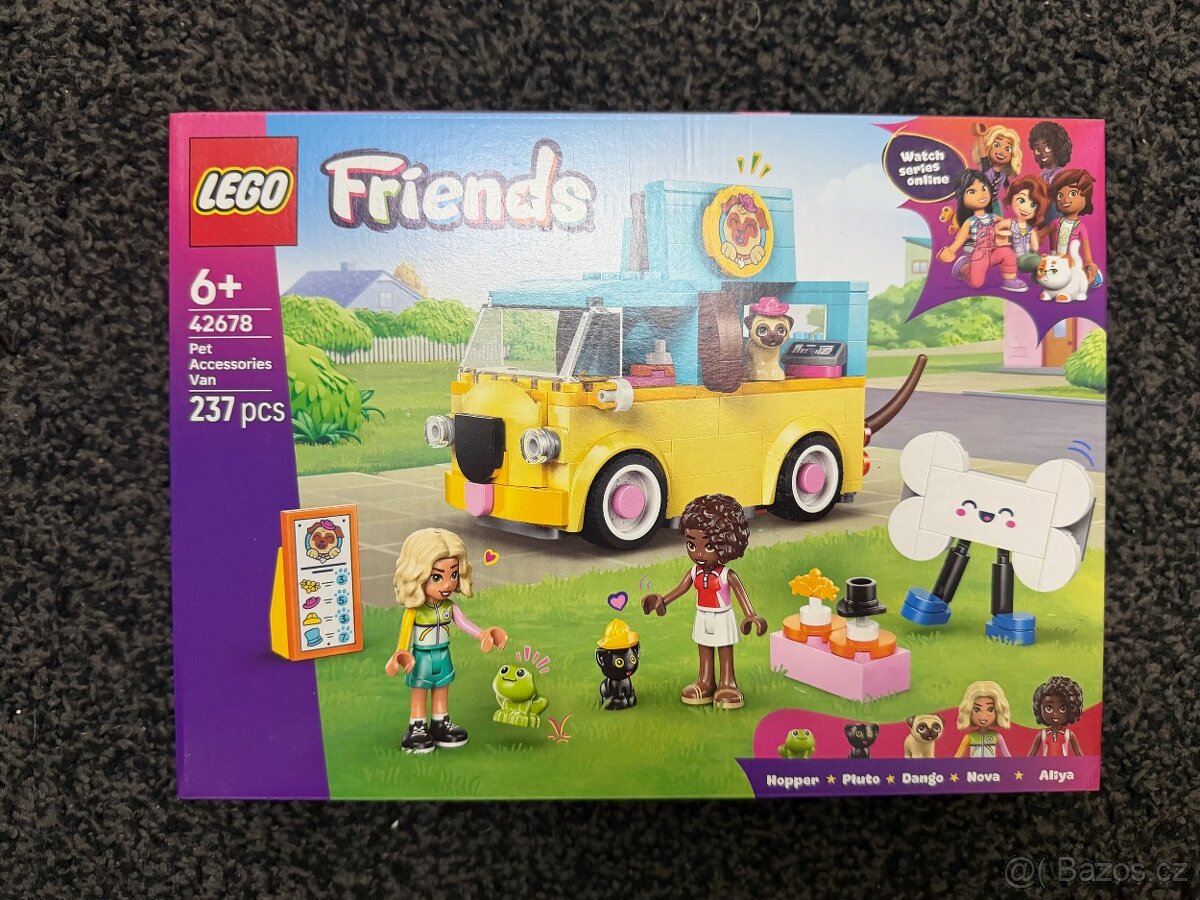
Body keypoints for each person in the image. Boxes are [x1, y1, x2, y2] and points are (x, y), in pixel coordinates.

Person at [385, 528, 507, 754]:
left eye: (454, 575)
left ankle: (440, 722)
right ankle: (417, 726)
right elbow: (404, 636)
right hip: (421, 656)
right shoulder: (415, 611)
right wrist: (401, 653)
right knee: (420, 689)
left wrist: (484, 634)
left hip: (443, 654)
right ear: (417, 575)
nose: (448, 584)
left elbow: (464, 623)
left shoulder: (449, 607)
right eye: (437, 577)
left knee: (442, 687)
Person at [641, 494, 767, 709]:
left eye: (708, 546)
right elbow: (681, 588)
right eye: (691, 545)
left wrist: (750, 615)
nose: (698, 553)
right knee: (704, 647)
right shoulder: (694, 571)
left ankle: (728, 683)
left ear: (726, 543)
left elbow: (740, 594)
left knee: (724, 648)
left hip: (722, 615)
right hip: (702, 615)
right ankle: (705, 682)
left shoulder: (727, 574)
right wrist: (662, 601)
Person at [953, 680, 1013, 758]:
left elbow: (1008, 758)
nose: (983, 716)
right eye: (977, 710)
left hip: (991, 766)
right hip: (974, 766)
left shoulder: (997, 737)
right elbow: (957, 758)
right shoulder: (969, 737)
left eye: (990, 709)